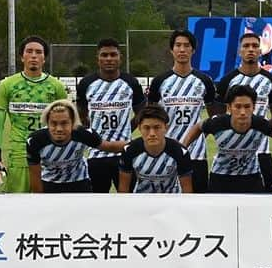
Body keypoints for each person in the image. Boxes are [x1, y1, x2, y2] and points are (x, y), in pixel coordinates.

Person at [0, 36, 68, 193]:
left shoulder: (56, 87)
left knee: (49, 209)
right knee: (18, 209)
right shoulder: (7, 85)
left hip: (50, 157)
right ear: (22, 57)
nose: (34, 55)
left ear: (44, 58)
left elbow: (67, 124)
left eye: (38, 52)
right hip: (20, 156)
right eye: (29, 51)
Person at [146, 29, 219, 193]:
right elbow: (150, 117)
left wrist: (199, 135)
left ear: (193, 50)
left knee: (197, 200)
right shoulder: (160, 81)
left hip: (197, 153)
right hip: (167, 151)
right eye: (178, 45)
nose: (182, 49)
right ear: (172, 50)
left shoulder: (204, 81)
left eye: (186, 46)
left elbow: (213, 117)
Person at [183, 84, 272, 193]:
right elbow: (198, 127)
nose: (243, 112)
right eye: (238, 107)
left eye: (247, 106)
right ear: (229, 107)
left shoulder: (260, 124)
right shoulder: (217, 123)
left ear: (254, 107)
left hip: (251, 177)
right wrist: (183, 147)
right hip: (220, 177)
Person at [215, 32, 272, 192]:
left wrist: (261, 131)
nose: (250, 49)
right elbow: (217, 117)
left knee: (265, 199)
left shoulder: (271, 80)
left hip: (262, 150)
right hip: (233, 152)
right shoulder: (227, 80)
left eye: (255, 46)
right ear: (240, 51)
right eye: (246, 46)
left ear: (261, 51)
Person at [76, 38, 146, 192]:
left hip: (125, 152)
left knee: (129, 200)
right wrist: (91, 134)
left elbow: (142, 113)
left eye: (113, 55)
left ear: (120, 57)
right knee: (97, 204)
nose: (109, 59)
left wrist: (128, 128)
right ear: (98, 58)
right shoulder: (86, 84)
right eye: (104, 55)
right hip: (96, 154)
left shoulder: (131, 82)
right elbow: (80, 114)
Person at [26, 100, 126, 193]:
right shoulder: (35, 141)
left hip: (79, 182)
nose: (59, 129)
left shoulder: (83, 134)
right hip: (49, 183)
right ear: (47, 123)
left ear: (73, 122)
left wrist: (136, 144)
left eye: (64, 123)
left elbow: (110, 147)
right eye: (53, 123)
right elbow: (35, 177)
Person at [118, 105, 194, 194]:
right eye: (146, 128)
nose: (152, 133)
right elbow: (123, 189)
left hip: (172, 200)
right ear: (139, 128)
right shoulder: (129, 150)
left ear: (166, 128)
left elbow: (187, 190)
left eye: (157, 127)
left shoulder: (180, 152)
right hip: (141, 199)